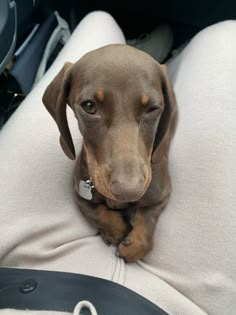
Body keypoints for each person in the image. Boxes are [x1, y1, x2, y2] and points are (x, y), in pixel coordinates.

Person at [0, 11, 235, 315]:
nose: (130, 185)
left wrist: (144, 228)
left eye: (151, 109)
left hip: (24, 274)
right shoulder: (84, 172)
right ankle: (161, 59)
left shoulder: (156, 157)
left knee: (99, 20)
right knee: (227, 36)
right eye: (89, 106)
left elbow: (154, 195)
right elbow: (128, 198)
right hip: (177, 302)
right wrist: (108, 222)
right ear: (65, 108)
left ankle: (153, 66)